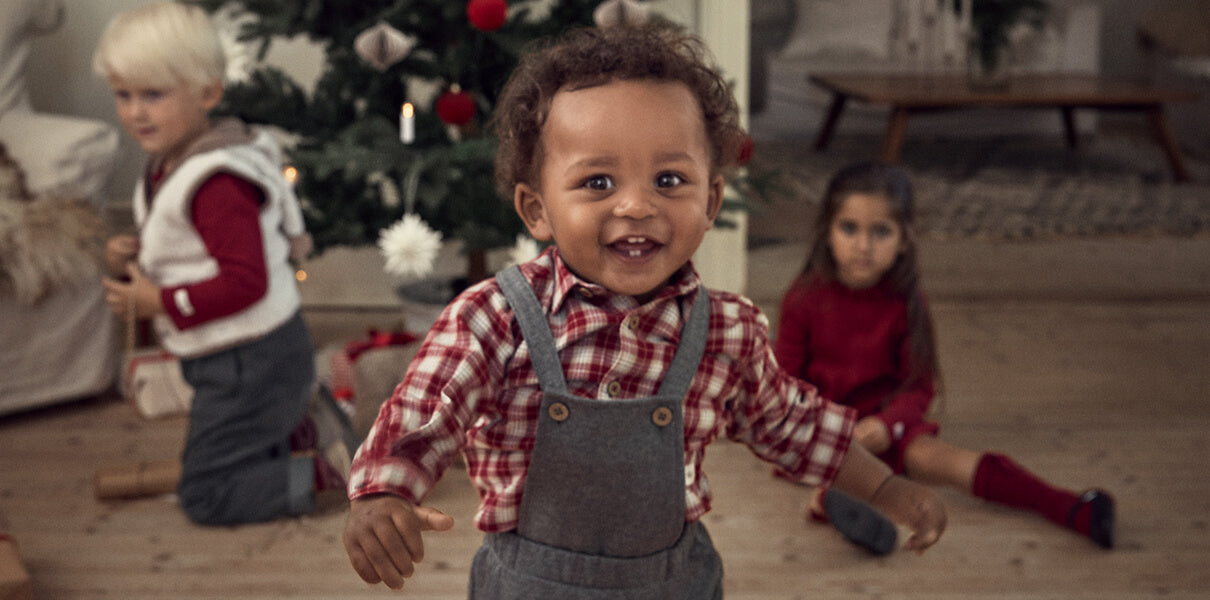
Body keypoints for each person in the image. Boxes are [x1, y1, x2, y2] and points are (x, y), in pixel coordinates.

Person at [341, 24, 946, 597]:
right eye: (598, 183)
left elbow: (796, 425)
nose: (636, 205)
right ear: (536, 210)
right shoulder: (494, 318)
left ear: (710, 199)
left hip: (674, 583)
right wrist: (380, 495)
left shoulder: (726, 331)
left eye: (669, 179)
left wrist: (885, 486)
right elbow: (422, 414)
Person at [773, 161, 1115, 550]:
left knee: (944, 460)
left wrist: (886, 426)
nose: (863, 246)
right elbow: (784, 387)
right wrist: (828, 431)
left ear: (904, 240)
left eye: (881, 231)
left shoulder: (905, 301)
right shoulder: (803, 299)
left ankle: (1069, 507)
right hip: (825, 432)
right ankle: (842, 500)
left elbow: (918, 389)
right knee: (829, 460)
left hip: (890, 431)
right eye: (849, 228)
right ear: (827, 231)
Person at [93, 1, 344, 525]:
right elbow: (186, 239)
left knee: (206, 495)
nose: (136, 112)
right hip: (240, 361)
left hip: (251, 362)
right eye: (124, 95)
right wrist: (137, 250)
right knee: (218, 456)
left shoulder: (218, 182)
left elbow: (245, 281)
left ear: (207, 92)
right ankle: (293, 431)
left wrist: (155, 301)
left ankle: (328, 470)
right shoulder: (177, 159)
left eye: (153, 95)